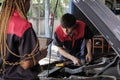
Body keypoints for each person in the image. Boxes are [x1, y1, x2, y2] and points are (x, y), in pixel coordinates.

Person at [0, 0, 47, 80]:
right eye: (29, 2)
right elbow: (26, 64)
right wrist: (42, 54)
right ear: (24, 2)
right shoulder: (23, 26)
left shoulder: (2, 22)